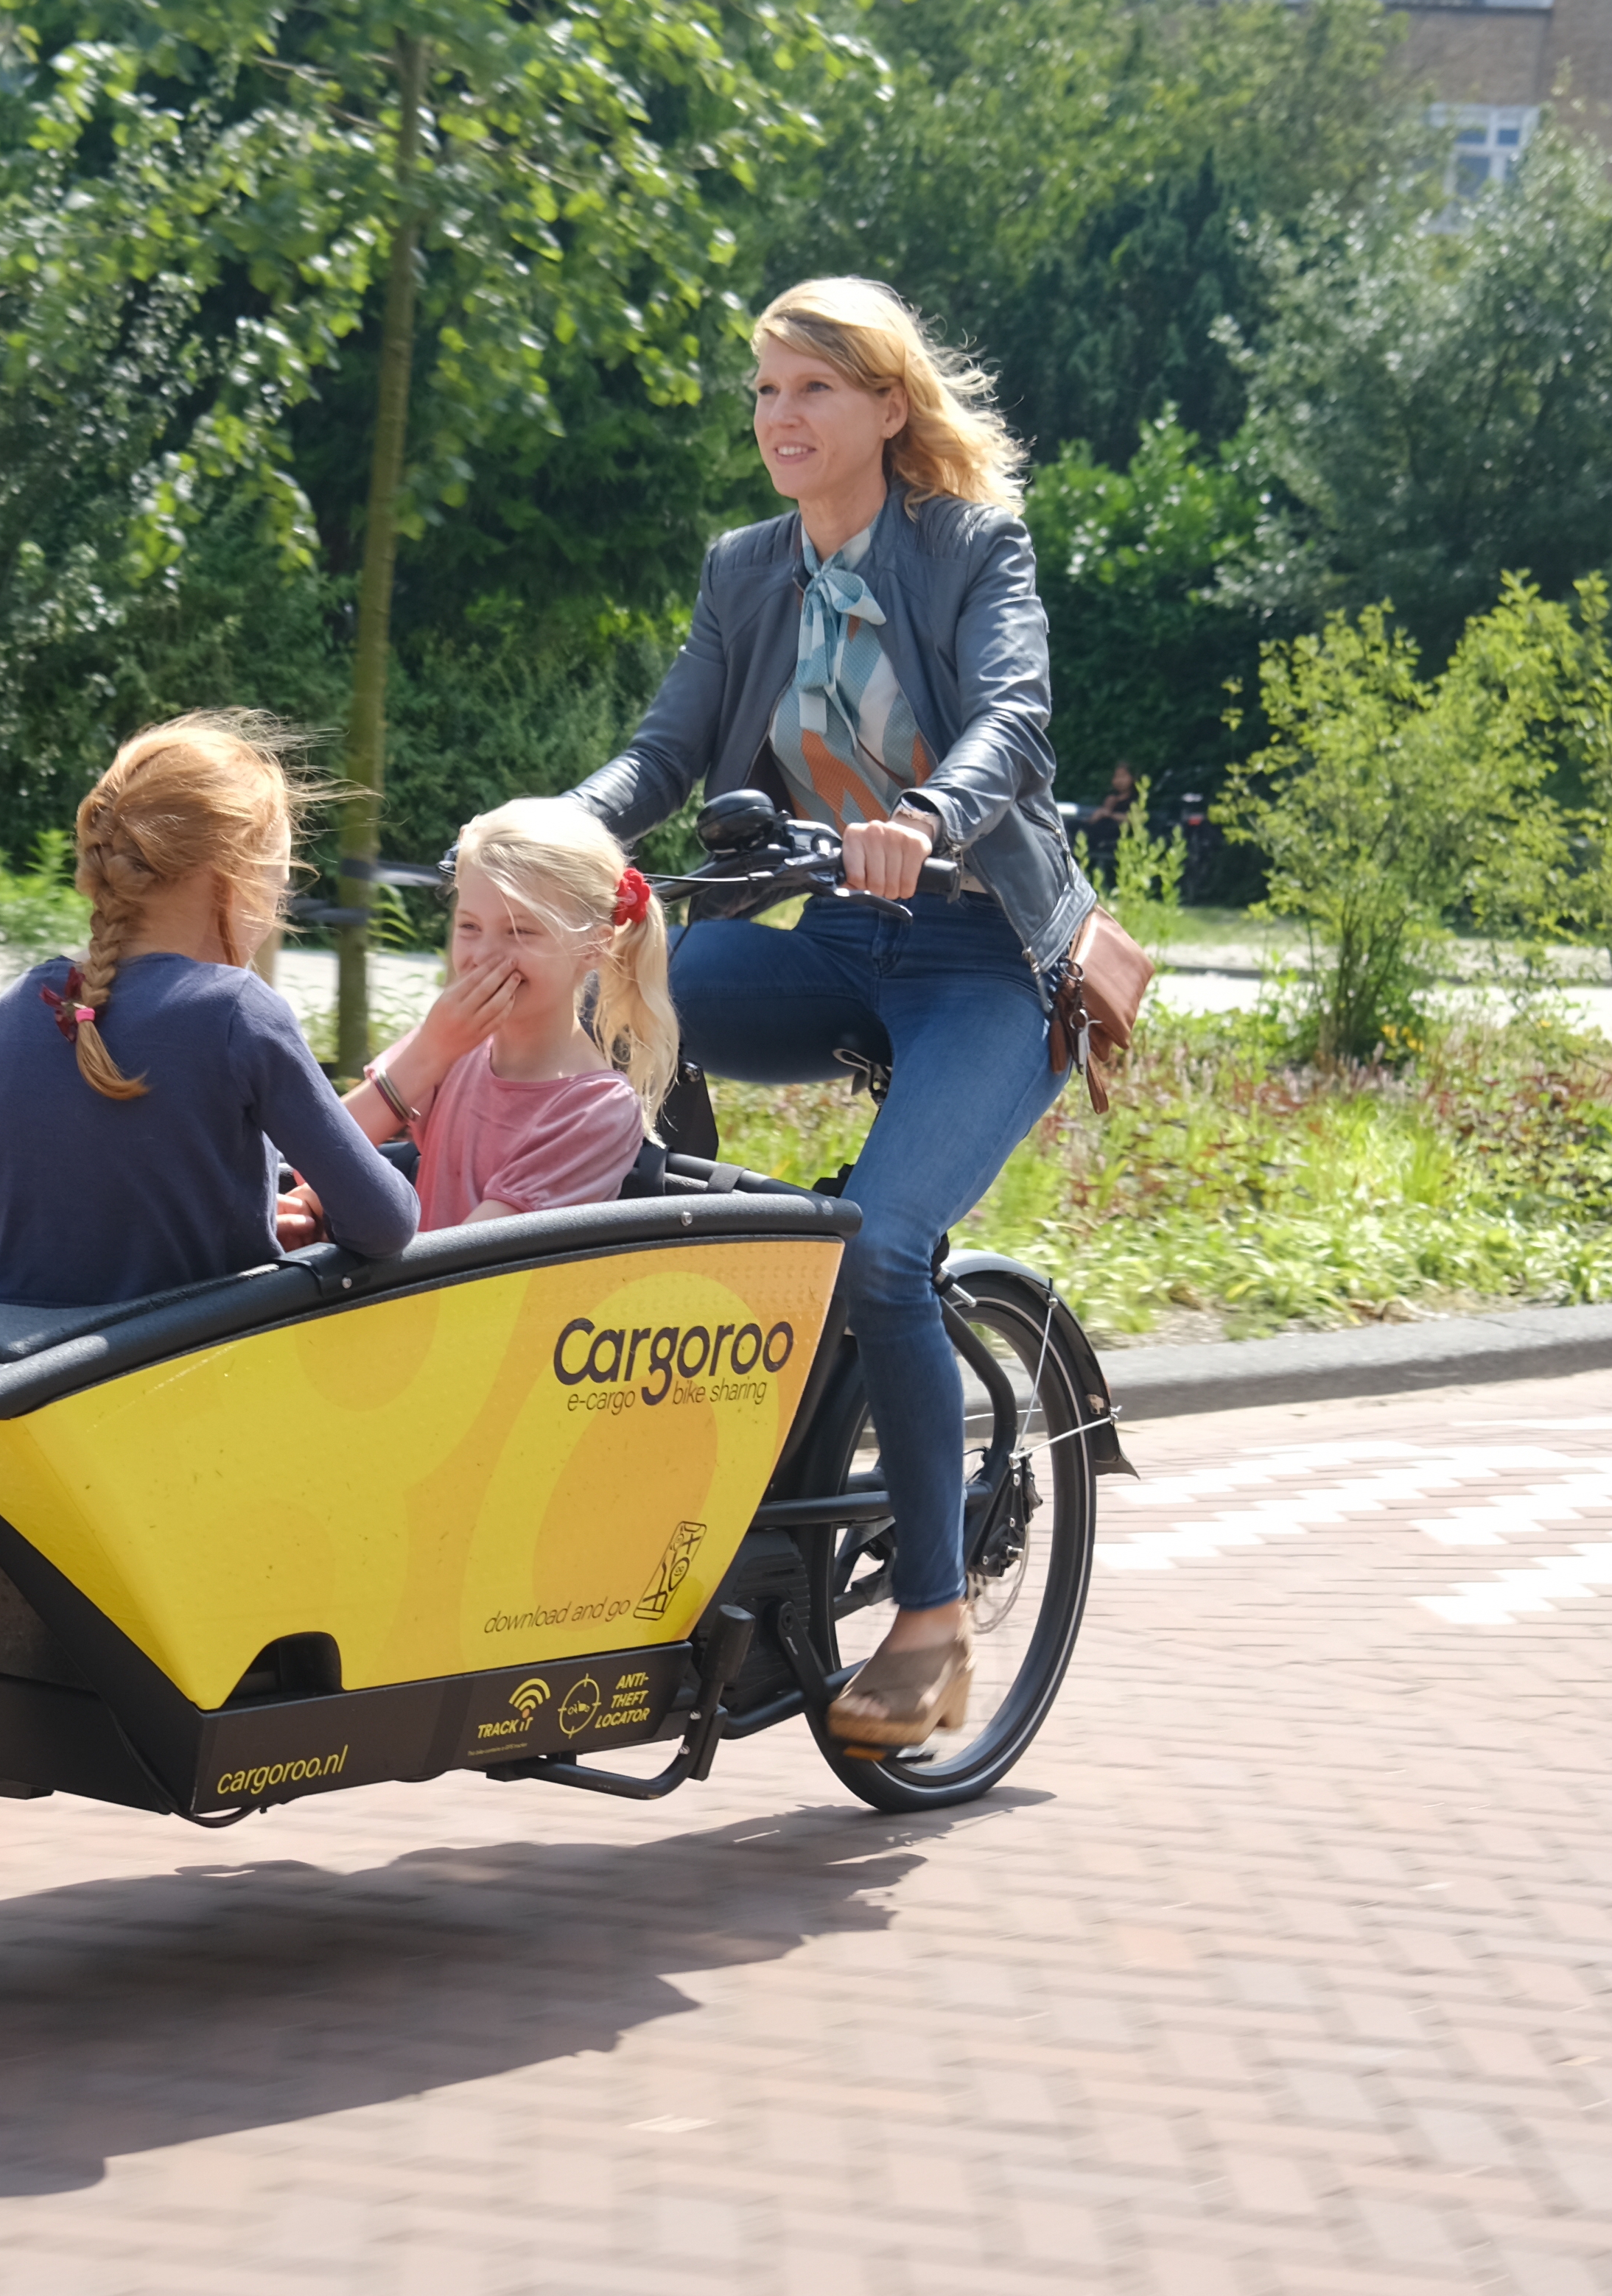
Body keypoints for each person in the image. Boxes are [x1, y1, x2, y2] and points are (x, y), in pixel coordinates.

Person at [556, 275, 1099, 1756]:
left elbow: (1014, 717)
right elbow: (664, 750)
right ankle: (670, 1272)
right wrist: (555, 829)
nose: (780, 417)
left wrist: (928, 815)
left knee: (886, 1248)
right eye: (765, 391)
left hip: (986, 958)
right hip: (842, 940)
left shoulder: (970, 546)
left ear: (887, 407)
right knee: (618, 996)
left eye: (813, 389)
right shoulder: (748, 569)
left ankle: (930, 1622)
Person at [0, 714, 416, 1310]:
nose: (276, 913)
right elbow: (385, 1224)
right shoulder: (237, 1014)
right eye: (279, 886)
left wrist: (248, 1215)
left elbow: (30, 1239)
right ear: (233, 878)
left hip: (15, 1385)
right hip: (183, 1387)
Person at [301, 797, 675, 1230]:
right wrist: (311, 1205)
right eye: (469, 927)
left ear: (594, 946)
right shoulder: (449, 1043)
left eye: (520, 931)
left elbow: (472, 1264)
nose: (484, 956)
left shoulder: (597, 1109)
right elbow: (318, 1155)